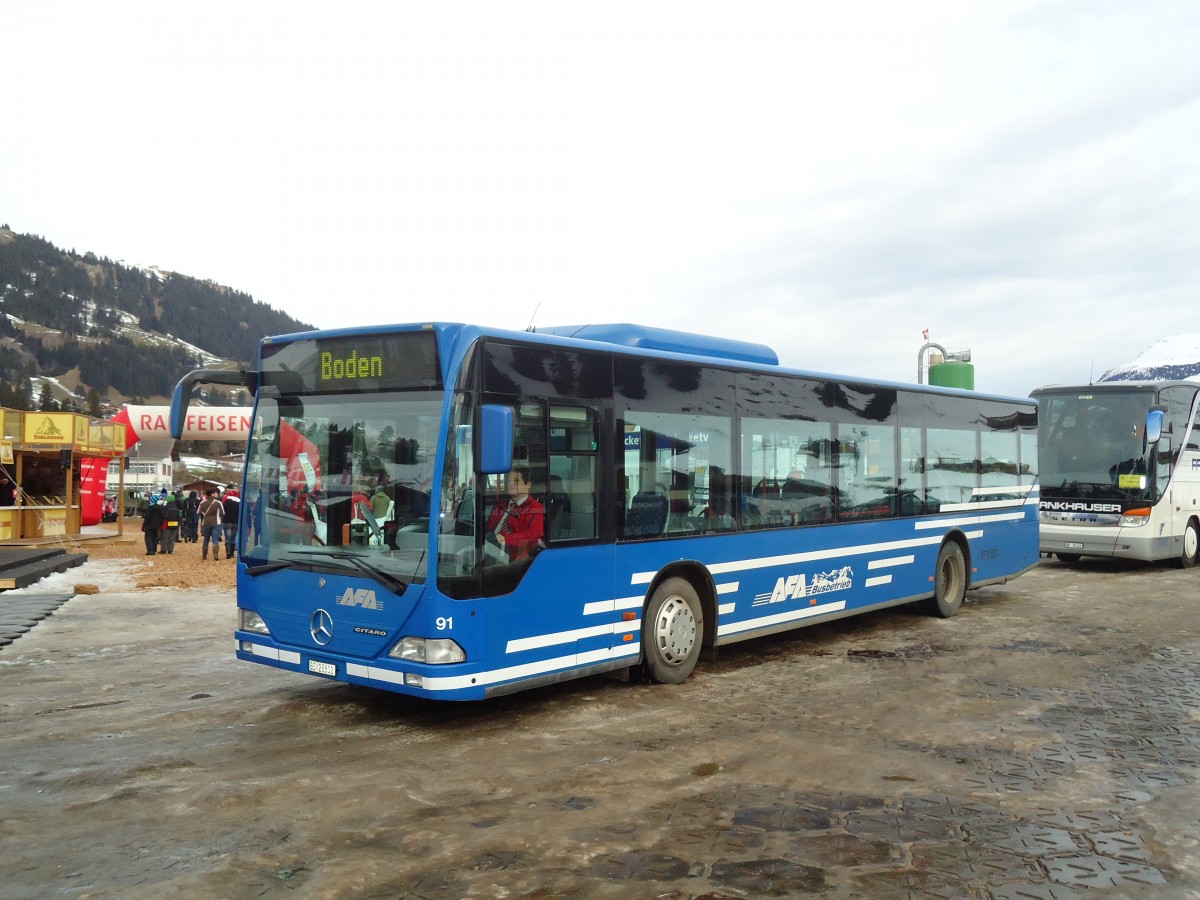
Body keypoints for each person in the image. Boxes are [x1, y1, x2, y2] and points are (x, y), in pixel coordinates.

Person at [485, 466, 545, 561]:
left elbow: (533, 534)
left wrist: (504, 538)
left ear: (528, 485)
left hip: (513, 558)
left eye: (516, 481)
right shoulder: (501, 505)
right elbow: (488, 527)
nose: (511, 484)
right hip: (489, 548)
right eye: (509, 481)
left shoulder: (536, 508)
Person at [198, 488, 224, 560]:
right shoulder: (218, 503)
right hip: (216, 523)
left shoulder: (202, 503)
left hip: (205, 523)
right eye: (215, 493)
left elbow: (198, 513)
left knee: (206, 539)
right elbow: (222, 513)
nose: (216, 494)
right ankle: (215, 555)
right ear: (212, 494)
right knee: (215, 539)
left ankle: (204, 555)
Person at [221, 485, 241, 560]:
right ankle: (232, 553)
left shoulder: (227, 501)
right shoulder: (239, 502)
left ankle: (228, 553)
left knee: (227, 538)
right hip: (236, 522)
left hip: (227, 521)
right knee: (233, 538)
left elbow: (223, 511)